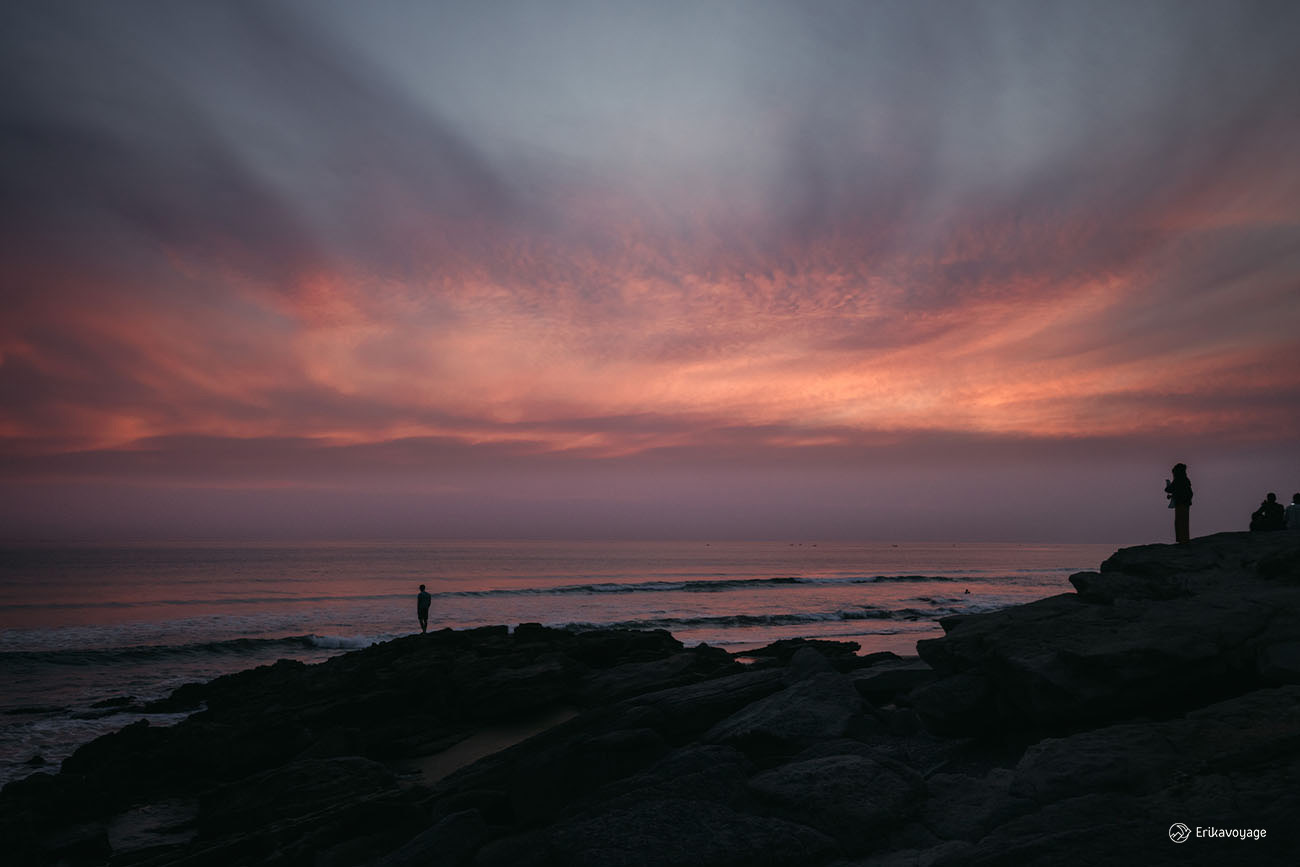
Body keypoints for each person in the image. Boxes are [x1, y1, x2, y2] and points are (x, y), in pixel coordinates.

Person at [1164, 463, 1193, 543]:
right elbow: (1186, 492)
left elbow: (1169, 489)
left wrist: (1169, 489)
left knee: (1180, 522)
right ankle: (1184, 539)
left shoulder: (1178, 479)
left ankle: (1182, 540)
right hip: (1185, 503)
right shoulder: (1185, 480)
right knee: (1183, 522)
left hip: (1181, 503)